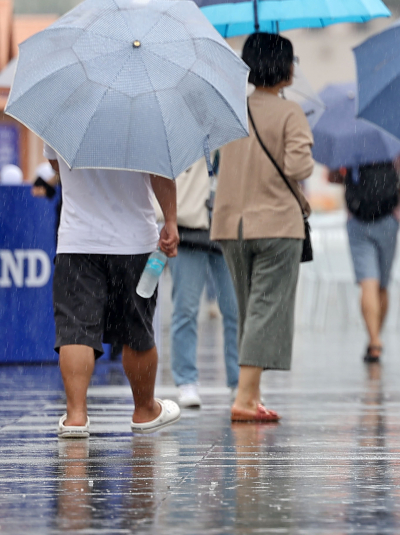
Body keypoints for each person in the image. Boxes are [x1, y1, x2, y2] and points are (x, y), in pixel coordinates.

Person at [212, 32, 314, 424]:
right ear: (286, 69)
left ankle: (251, 396)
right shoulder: (291, 113)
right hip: (275, 223)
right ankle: (244, 398)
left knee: (248, 307)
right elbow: (298, 167)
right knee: (266, 309)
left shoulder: (230, 109)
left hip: (230, 224)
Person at [47, 143, 182, 438]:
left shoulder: (65, 110)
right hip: (133, 242)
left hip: (77, 243)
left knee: (75, 329)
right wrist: (170, 219)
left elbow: (56, 165)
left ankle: (76, 416)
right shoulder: (145, 111)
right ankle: (145, 409)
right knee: (137, 328)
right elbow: (159, 172)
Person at [330, 150, 400, 364]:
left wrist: (355, 184)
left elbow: (331, 176)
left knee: (368, 283)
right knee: (382, 285)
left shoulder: (349, 138)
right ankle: (376, 336)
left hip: (357, 218)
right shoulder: (395, 138)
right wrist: (394, 194)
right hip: (389, 217)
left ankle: (374, 340)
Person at [167, 158, 239, 408]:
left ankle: (239, 382)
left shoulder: (235, 132)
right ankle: (186, 381)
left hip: (229, 227)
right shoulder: (182, 134)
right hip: (187, 226)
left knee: (236, 311)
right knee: (185, 309)